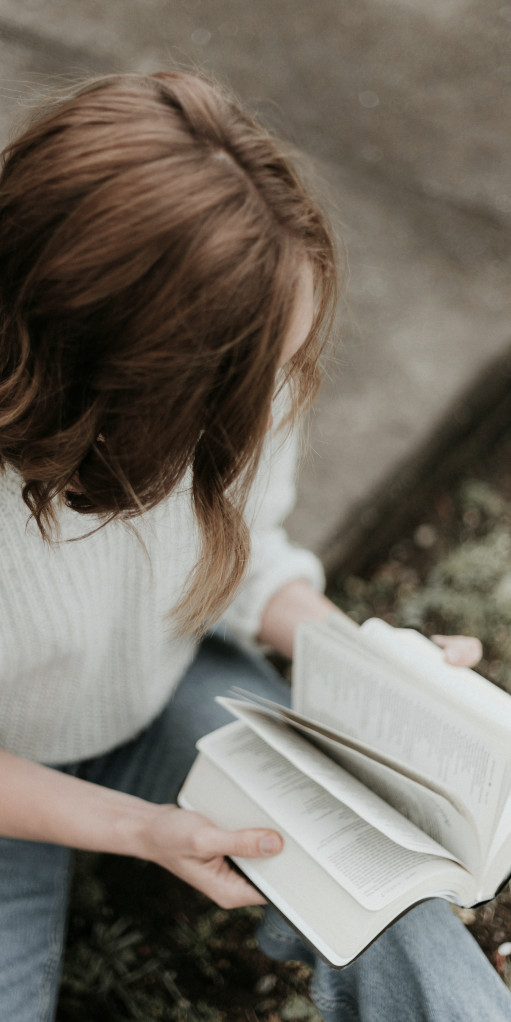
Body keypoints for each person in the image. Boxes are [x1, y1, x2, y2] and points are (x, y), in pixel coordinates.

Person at [0, 70, 508, 1022]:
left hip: (165, 694)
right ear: (125, 371)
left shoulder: (255, 357)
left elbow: (242, 561)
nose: (279, 387)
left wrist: (367, 665)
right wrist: (140, 829)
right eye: (248, 376)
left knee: (399, 915)